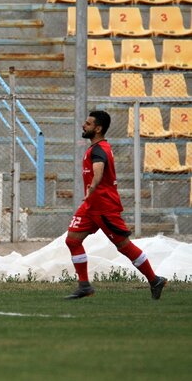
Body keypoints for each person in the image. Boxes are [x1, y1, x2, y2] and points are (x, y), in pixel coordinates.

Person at [65, 110, 167, 300]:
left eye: (88, 124)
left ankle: (155, 280)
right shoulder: (97, 147)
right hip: (91, 206)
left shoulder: (98, 150)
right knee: (72, 240)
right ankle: (84, 286)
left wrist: (93, 186)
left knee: (123, 246)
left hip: (104, 207)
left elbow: (99, 169)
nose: (83, 125)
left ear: (98, 128)